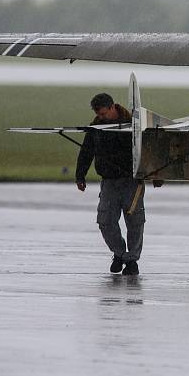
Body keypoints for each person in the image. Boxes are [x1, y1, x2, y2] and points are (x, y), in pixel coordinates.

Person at [76, 92, 147, 275]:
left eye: (103, 114)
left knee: (135, 222)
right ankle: (119, 253)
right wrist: (80, 175)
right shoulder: (96, 127)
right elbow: (86, 151)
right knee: (105, 221)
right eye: (98, 114)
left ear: (113, 107)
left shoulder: (133, 124)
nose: (101, 117)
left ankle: (132, 260)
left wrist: (154, 175)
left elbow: (146, 150)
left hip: (132, 181)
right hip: (108, 182)